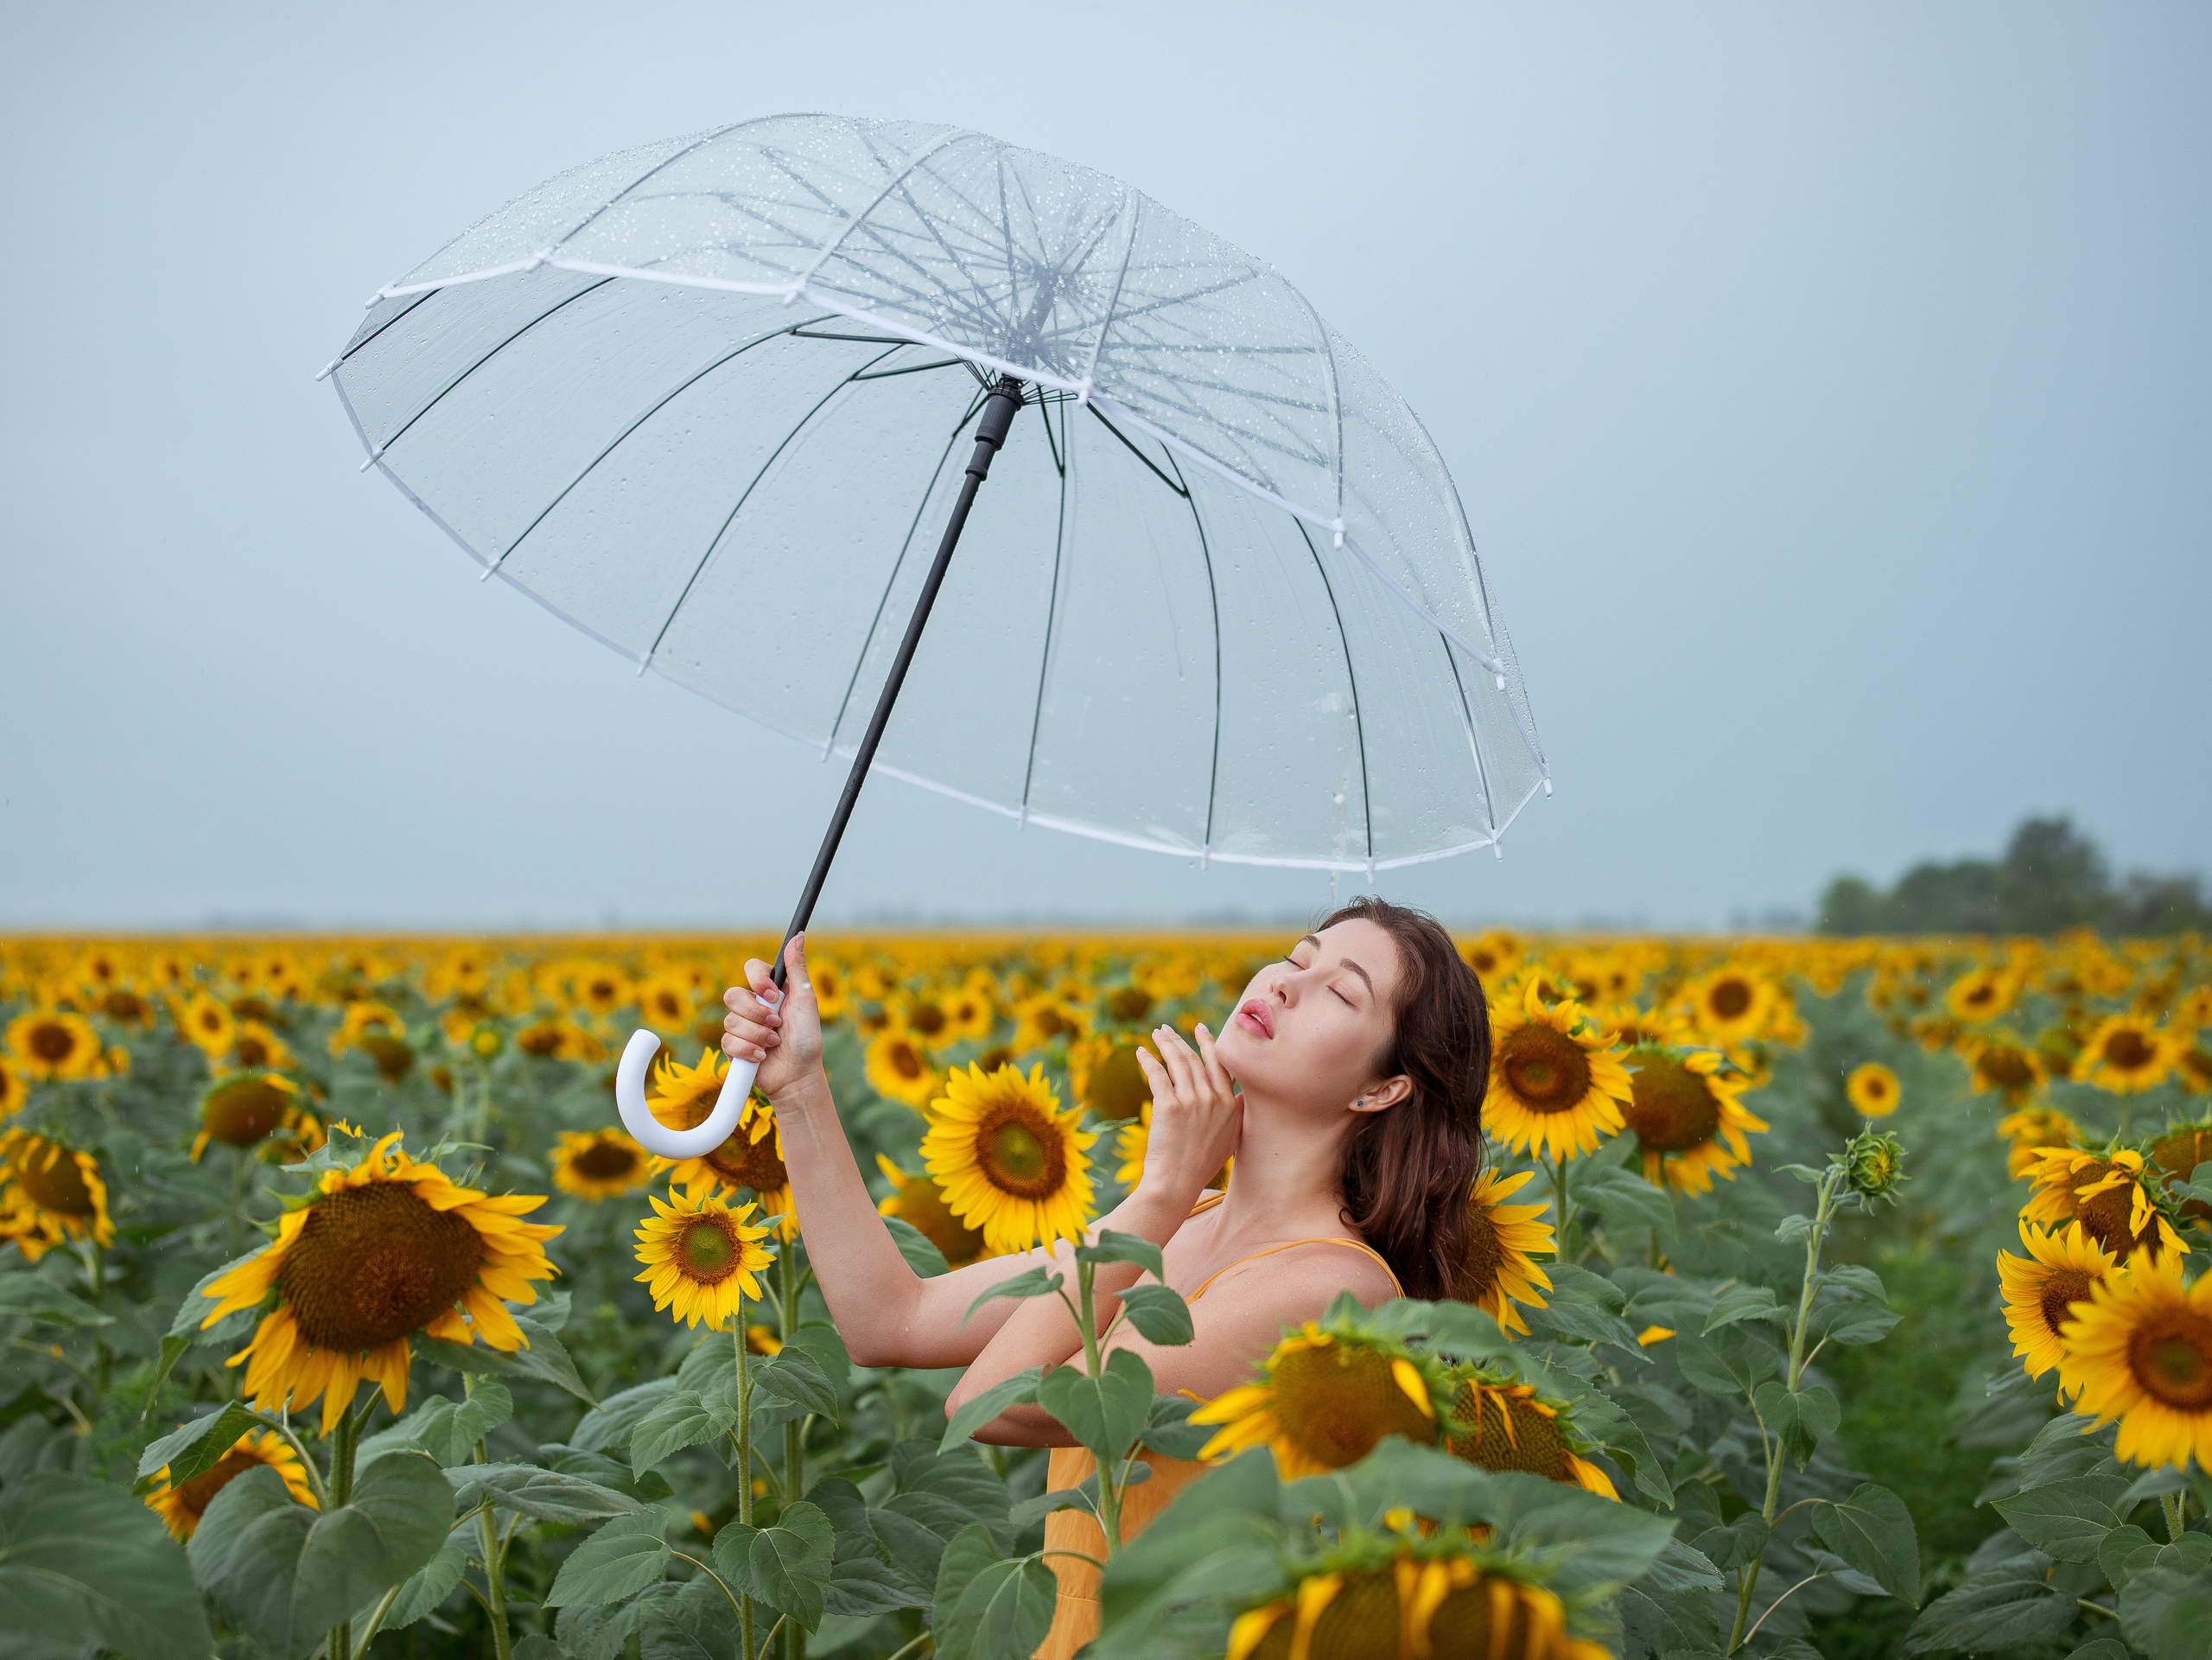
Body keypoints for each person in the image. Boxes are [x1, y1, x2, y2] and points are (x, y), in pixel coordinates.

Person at [719, 896, 1491, 1659]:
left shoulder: (1333, 1289)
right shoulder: (1188, 1222)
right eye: (1296, 957)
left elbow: (995, 1403)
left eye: (1341, 992)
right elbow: (890, 1317)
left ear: (1381, 1089)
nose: (1285, 983)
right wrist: (799, 1088)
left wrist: (1160, 1193)